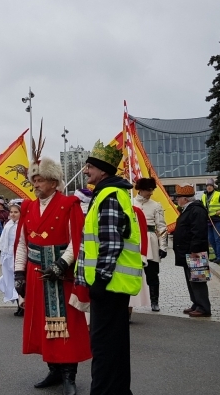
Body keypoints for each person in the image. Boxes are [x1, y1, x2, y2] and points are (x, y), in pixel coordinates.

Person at [14, 145, 90, 395]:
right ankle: (54, 370)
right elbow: (23, 242)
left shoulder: (69, 205)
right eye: (33, 180)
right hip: (37, 276)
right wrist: (19, 272)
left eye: (40, 179)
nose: (35, 184)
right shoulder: (27, 208)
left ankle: (69, 374)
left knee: (65, 325)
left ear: (54, 182)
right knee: (42, 326)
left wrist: (62, 264)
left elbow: (76, 240)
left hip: (60, 276)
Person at [73, 141, 142, 395]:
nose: (85, 171)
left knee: (103, 347)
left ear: (102, 170)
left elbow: (111, 243)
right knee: (115, 346)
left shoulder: (109, 195)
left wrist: (100, 280)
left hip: (109, 286)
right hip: (113, 285)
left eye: (89, 166)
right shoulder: (111, 193)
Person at [172, 184, 211, 318]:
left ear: (186, 199)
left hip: (195, 252)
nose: (177, 200)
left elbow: (198, 232)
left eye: (178, 198)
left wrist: (195, 249)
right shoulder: (188, 209)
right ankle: (196, 303)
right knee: (191, 279)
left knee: (198, 280)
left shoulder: (197, 210)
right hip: (187, 251)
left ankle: (203, 307)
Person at [133, 178, 169, 312]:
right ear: (141, 189)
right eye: (149, 190)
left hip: (151, 242)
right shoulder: (130, 202)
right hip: (135, 240)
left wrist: (163, 247)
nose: (151, 193)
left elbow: (161, 227)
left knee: (152, 274)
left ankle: (155, 301)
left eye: (152, 190)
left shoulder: (156, 205)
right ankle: (131, 303)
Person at [0, 199, 21, 315]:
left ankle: (22, 305)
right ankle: (18, 304)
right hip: (8, 257)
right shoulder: (8, 225)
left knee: (19, 281)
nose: (13, 214)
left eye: (16, 212)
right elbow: (4, 243)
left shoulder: (22, 225)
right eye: (11, 212)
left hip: (18, 257)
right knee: (9, 281)